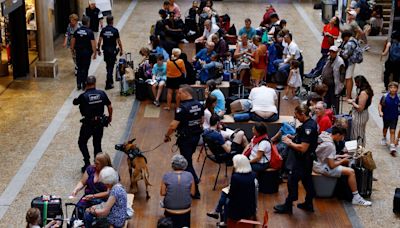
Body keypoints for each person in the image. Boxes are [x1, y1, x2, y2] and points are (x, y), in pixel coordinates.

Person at [274, 104, 318, 214]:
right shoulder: (310, 123)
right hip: (307, 160)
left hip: (303, 160)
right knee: (307, 181)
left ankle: (288, 205)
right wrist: (293, 138)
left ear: (303, 114)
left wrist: (290, 143)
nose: (296, 117)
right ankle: (309, 203)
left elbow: (303, 148)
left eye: (297, 115)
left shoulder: (308, 128)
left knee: (292, 181)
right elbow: (303, 139)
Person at [313, 126, 372, 206]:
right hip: (321, 167)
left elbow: (325, 154)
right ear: (337, 134)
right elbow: (332, 165)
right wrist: (343, 161)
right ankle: (356, 198)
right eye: (341, 136)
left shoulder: (325, 135)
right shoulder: (330, 145)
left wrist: (339, 157)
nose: (341, 139)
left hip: (316, 162)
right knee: (351, 172)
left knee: (343, 162)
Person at [164, 85, 204, 198]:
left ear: (186, 93)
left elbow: (173, 125)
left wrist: (167, 136)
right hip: (196, 137)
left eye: (179, 93)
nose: (178, 96)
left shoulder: (182, 108)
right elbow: (201, 120)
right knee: (189, 159)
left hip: (185, 139)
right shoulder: (199, 104)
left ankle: (195, 188)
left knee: (187, 163)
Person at [73, 76, 113, 173]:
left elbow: (75, 102)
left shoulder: (83, 96)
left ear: (86, 83)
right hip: (99, 123)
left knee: (82, 142)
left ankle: (87, 162)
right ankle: (98, 165)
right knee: (97, 144)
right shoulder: (102, 93)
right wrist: (110, 117)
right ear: (95, 83)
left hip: (88, 124)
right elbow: (109, 106)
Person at [71, 153, 111, 217]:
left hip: (102, 200)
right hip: (88, 197)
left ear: (104, 165)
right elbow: (82, 182)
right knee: (78, 210)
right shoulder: (90, 169)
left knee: (89, 215)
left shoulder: (110, 174)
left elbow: (109, 192)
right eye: (94, 162)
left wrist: (93, 196)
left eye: (97, 164)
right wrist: (76, 189)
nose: (94, 165)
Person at [160, 154, 195, 228]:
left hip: (169, 209)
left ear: (172, 164)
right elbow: (193, 193)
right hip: (186, 209)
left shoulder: (166, 175)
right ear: (184, 164)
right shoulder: (189, 175)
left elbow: (162, 193)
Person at [227, 154, 257, 223]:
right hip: (250, 207)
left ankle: (225, 221)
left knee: (225, 200)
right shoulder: (253, 174)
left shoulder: (235, 177)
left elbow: (231, 194)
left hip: (238, 210)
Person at [70, 16, 96, 90]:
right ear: (88, 23)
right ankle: (84, 83)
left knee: (79, 68)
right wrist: (95, 53)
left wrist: (72, 50)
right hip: (87, 53)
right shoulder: (90, 32)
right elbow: (93, 43)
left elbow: (73, 41)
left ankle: (78, 83)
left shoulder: (77, 31)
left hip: (79, 53)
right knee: (85, 68)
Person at [97, 15, 123, 90]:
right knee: (110, 67)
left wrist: (98, 49)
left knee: (108, 66)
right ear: (112, 21)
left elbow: (99, 41)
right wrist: (121, 50)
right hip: (112, 51)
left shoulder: (103, 30)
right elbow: (119, 41)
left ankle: (110, 81)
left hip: (106, 51)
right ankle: (108, 84)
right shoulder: (115, 30)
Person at [347, 75, 373, 147]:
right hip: (364, 114)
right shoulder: (368, 90)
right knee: (361, 133)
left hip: (360, 116)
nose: (355, 84)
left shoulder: (363, 93)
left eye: (356, 83)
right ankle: (361, 149)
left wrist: (352, 103)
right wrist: (354, 100)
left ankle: (358, 152)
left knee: (357, 135)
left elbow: (360, 108)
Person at [320, 45, 346, 110]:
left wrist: (340, 87)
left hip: (334, 86)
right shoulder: (328, 58)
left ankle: (335, 116)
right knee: (326, 102)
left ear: (336, 52)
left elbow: (342, 74)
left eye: (333, 52)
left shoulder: (340, 62)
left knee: (334, 104)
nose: (332, 53)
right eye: (331, 52)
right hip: (326, 85)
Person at [378, 82, 399, 156]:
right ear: (389, 88)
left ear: (397, 89)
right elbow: (380, 105)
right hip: (386, 116)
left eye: (394, 88)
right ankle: (384, 137)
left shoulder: (398, 97)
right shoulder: (385, 96)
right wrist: (380, 112)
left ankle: (392, 145)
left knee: (392, 131)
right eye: (391, 87)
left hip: (394, 117)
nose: (393, 89)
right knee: (385, 129)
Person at [340, 30, 361, 100]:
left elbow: (345, 55)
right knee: (349, 78)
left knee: (348, 78)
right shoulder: (354, 40)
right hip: (352, 61)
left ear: (346, 37)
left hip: (350, 62)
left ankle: (348, 96)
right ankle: (348, 95)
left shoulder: (350, 43)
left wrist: (340, 52)